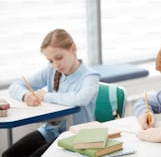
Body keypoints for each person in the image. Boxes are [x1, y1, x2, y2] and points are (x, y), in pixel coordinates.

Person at [2, 29, 100, 157]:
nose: (56, 65)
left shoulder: (90, 76)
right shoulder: (51, 70)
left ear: (73, 49)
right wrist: (26, 96)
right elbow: (16, 85)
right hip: (50, 131)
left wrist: (46, 96)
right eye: (50, 61)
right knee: (9, 155)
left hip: (77, 136)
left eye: (59, 58)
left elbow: (81, 99)